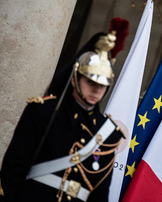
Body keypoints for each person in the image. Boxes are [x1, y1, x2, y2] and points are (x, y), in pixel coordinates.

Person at [0, 18, 129, 202]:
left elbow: (100, 195)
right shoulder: (43, 112)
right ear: (76, 78)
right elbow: (13, 170)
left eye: (102, 84)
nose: (96, 90)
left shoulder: (109, 133)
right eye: (91, 81)